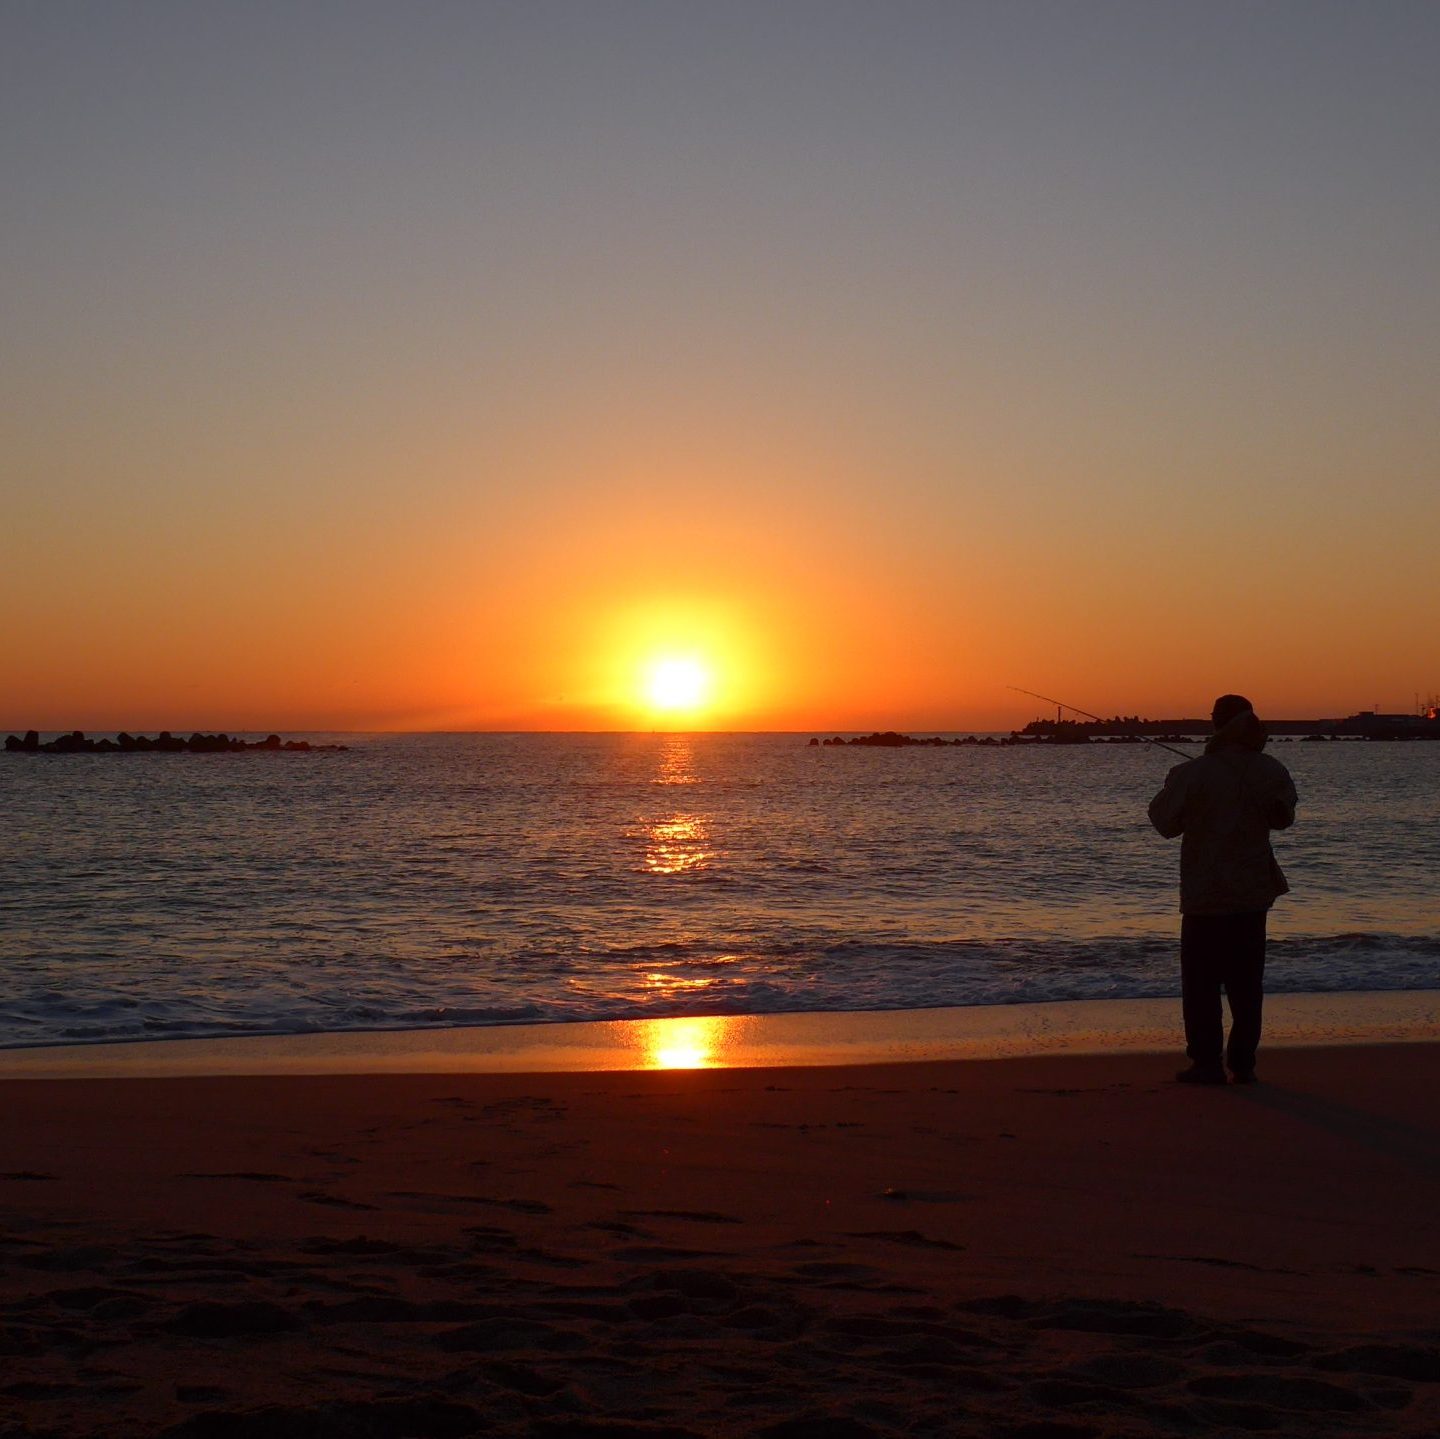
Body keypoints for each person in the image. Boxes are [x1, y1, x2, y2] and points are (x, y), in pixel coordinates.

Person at [1147, 694, 1297, 1085]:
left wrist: (1174, 783)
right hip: (1252, 895)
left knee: (1201, 985)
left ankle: (1207, 1063)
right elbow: (1283, 819)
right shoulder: (1271, 769)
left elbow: (1164, 823)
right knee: (1247, 985)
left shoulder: (1193, 773)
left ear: (1216, 724)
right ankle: (1243, 1064)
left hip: (1205, 896)